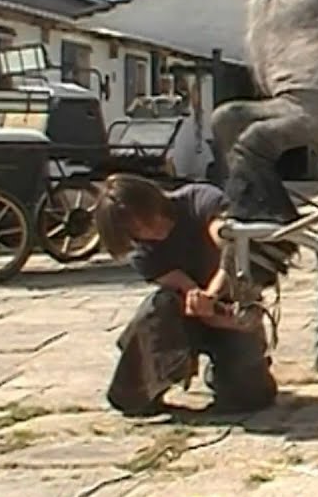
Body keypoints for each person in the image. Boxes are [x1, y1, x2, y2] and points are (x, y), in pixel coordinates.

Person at [94, 173, 278, 416]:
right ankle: (146, 384)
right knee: (159, 305)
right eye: (136, 230)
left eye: (147, 220)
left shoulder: (197, 200)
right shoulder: (143, 253)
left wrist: (216, 298)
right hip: (185, 317)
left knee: (249, 396)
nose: (148, 230)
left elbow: (231, 247)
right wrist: (202, 303)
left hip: (231, 309)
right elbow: (185, 287)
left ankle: (226, 374)